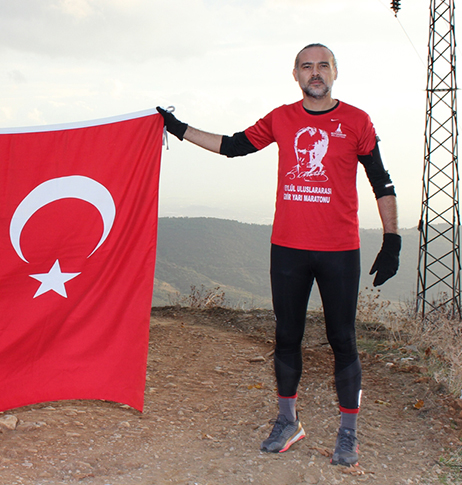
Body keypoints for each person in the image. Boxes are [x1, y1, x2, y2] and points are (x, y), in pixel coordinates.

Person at [157, 44, 400, 467]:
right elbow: (234, 146)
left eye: (323, 65)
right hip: (288, 247)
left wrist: (392, 239)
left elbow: (381, 181)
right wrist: (179, 129)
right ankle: (288, 422)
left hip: (340, 250)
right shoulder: (282, 118)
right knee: (287, 336)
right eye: (307, 66)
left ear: (335, 72)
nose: (315, 72)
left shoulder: (357, 121)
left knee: (343, 339)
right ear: (296, 75)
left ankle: (348, 433)